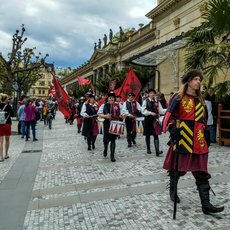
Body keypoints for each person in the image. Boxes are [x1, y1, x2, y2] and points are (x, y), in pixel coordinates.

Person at [162, 69, 224, 215]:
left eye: (199, 80)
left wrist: (207, 134)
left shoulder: (201, 99)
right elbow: (169, 116)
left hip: (199, 141)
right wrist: (172, 128)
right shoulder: (178, 98)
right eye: (196, 79)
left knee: (201, 172)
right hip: (183, 138)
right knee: (178, 170)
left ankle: (206, 205)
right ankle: (173, 189)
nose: (198, 82)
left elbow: (203, 119)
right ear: (188, 81)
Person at [142, 89, 166, 155]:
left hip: (155, 121)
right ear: (148, 94)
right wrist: (150, 113)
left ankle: (157, 151)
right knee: (147, 135)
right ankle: (148, 149)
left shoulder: (157, 102)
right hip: (147, 120)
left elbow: (161, 111)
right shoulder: (145, 101)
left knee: (156, 134)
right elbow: (143, 111)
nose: (152, 94)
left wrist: (168, 110)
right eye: (151, 93)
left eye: (153, 93)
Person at [98, 91, 121, 162]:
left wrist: (123, 115)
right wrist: (105, 116)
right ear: (108, 98)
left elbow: (123, 112)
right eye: (110, 98)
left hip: (115, 124)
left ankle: (112, 155)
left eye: (113, 98)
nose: (111, 99)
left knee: (113, 140)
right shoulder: (104, 105)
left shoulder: (118, 105)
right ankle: (105, 149)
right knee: (106, 140)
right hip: (107, 124)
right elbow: (99, 114)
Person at [0, 93, 14, 161]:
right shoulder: (8, 106)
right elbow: (12, 114)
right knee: (7, 140)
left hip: (0, 125)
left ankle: (0, 157)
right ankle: (6, 154)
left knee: (0, 141)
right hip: (7, 124)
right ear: (6, 99)